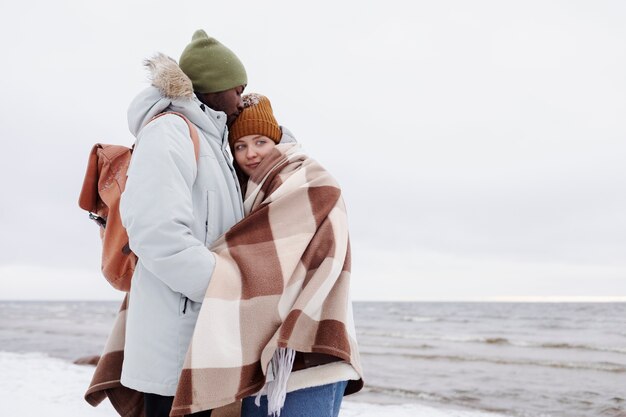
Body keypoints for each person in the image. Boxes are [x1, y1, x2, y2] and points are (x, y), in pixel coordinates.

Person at [169, 94, 364, 417]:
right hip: (262, 348)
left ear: (276, 140)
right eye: (240, 146)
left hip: (311, 345)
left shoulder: (310, 179)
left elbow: (316, 250)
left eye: (260, 141)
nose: (251, 153)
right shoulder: (245, 194)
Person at [119, 29, 248, 417]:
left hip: (201, 330)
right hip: (178, 336)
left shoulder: (213, 141)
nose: (242, 100)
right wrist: (224, 287)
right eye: (237, 91)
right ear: (211, 88)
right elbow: (156, 232)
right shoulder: (170, 131)